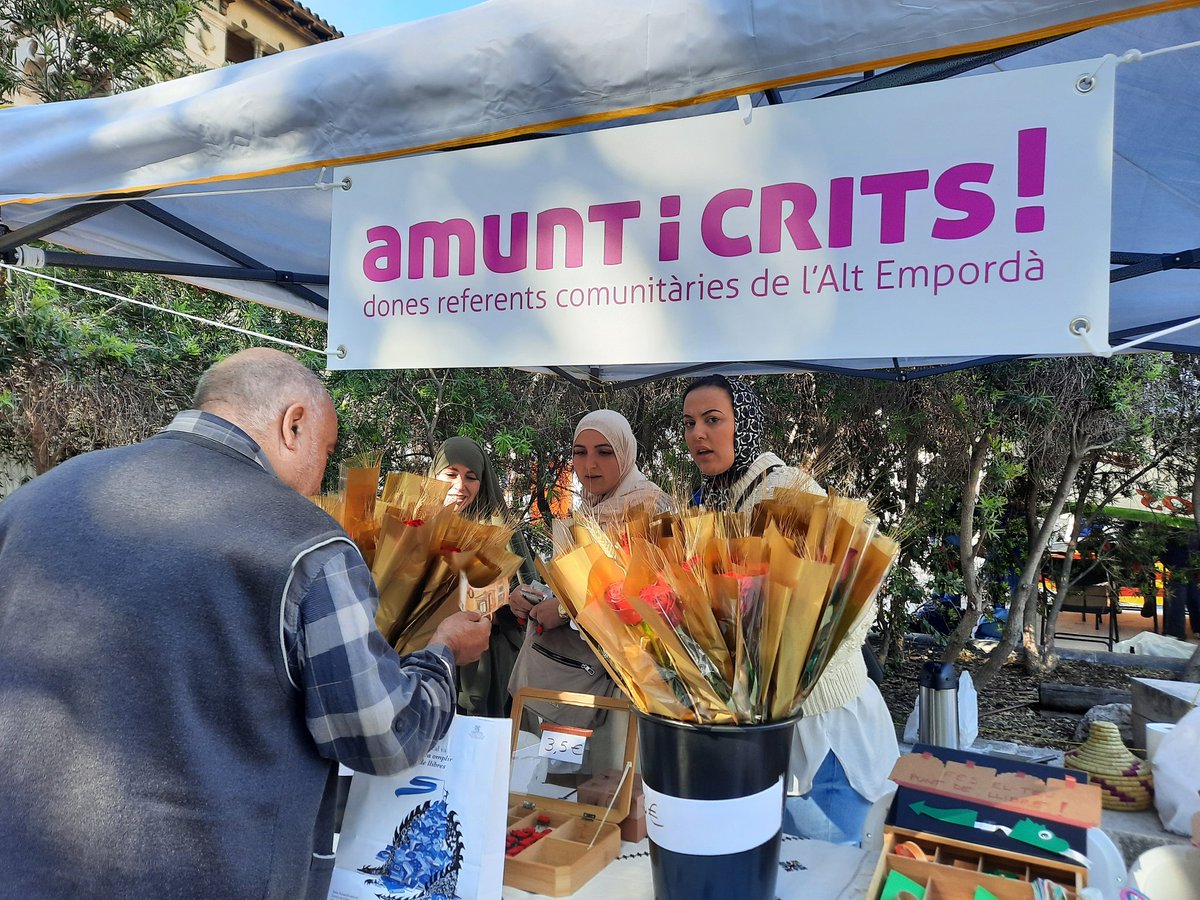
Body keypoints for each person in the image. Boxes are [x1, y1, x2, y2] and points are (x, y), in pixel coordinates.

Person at [0, 347, 491, 899]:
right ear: (294, 423)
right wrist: (442, 655)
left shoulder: (33, 503)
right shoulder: (306, 544)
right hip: (207, 873)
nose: (317, 482)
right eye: (325, 453)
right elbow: (381, 736)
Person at [681, 373, 898, 846]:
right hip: (768, 728)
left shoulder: (786, 490)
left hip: (825, 725)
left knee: (834, 866)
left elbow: (852, 596)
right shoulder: (720, 495)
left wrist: (797, 668)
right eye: (690, 422)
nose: (698, 433)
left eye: (713, 420)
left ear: (746, 424)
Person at [507, 410, 671, 722]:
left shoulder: (652, 507)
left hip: (629, 686)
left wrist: (563, 610)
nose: (589, 465)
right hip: (574, 678)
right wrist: (534, 596)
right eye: (579, 453)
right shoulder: (588, 511)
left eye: (604, 452)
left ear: (625, 453)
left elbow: (651, 598)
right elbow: (574, 585)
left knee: (615, 768)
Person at [429, 436, 538, 717]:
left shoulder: (502, 531)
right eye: (451, 474)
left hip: (490, 671)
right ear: (435, 475)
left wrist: (514, 603)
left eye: (471, 477)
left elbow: (532, 601)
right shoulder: (415, 525)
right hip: (429, 663)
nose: (460, 486)